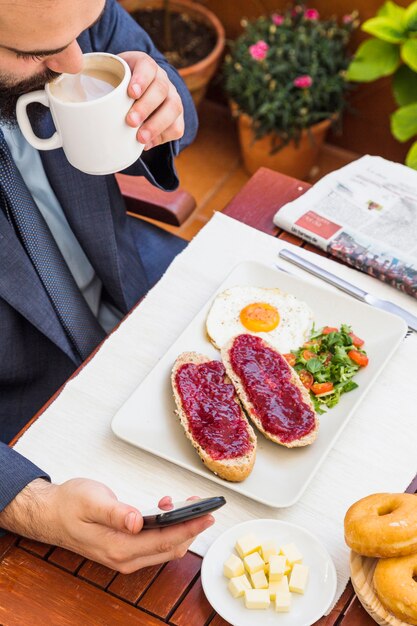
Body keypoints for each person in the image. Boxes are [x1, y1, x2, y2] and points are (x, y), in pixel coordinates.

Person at [0, 0, 215, 573]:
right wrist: (29, 503)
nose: (74, 59)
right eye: (31, 53)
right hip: (25, 417)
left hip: (136, 287)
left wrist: (159, 102)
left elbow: (178, 111)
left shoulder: (60, 13)